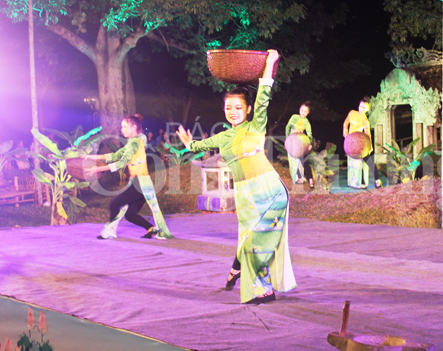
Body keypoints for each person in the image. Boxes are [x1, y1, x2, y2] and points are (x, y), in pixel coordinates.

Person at [176, 50, 296, 305]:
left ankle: (261, 289)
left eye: (238, 107)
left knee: (257, 242)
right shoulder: (223, 137)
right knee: (248, 240)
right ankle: (244, 275)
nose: (232, 111)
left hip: (270, 192)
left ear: (248, 109)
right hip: (245, 196)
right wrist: (189, 144)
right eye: (228, 107)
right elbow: (199, 145)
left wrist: (270, 63)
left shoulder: (255, 126)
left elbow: (264, 96)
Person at [84, 114, 173, 240]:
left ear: (133, 127)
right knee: (130, 214)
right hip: (140, 183)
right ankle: (151, 228)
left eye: (124, 126)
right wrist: (92, 157)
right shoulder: (133, 142)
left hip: (140, 183)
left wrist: (99, 169)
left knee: (114, 204)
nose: (122, 130)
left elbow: (122, 162)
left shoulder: (135, 142)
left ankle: (109, 231)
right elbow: (116, 156)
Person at [343, 96, 374, 189]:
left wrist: (370, 145)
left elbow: (368, 134)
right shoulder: (352, 113)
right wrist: (346, 134)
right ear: (358, 106)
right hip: (350, 140)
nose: (362, 109)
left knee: (359, 161)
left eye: (364, 107)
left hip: (358, 142)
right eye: (361, 106)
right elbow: (345, 123)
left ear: (367, 109)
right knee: (351, 161)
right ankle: (352, 182)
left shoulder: (365, 120)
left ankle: (361, 182)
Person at [285, 101, 314, 189]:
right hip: (292, 142)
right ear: (299, 109)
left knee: (303, 160)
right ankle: (297, 178)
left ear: (308, 112)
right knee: (292, 160)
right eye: (302, 110)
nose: (303, 112)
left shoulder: (306, 122)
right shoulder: (294, 117)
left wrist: (310, 144)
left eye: (305, 111)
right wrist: (287, 138)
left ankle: (310, 179)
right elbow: (287, 127)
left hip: (300, 143)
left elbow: (309, 134)